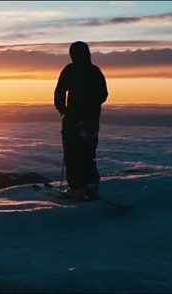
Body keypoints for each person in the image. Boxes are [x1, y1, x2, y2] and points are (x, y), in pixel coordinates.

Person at [54, 41, 108, 201]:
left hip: (72, 121)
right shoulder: (95, 71)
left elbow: (59, 92)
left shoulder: (70, 70)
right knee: (88, 153)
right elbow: (103, 95)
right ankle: (91, 185)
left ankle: (76, 188)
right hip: (91, 122)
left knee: (72, 154)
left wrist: (63, 110)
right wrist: (91, 106)